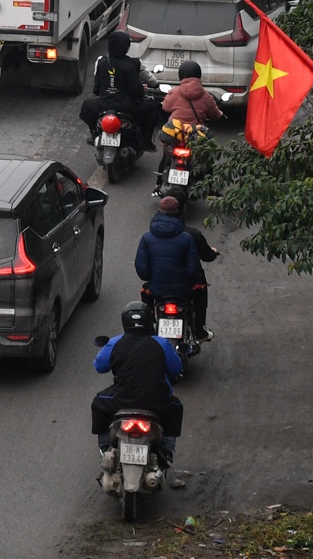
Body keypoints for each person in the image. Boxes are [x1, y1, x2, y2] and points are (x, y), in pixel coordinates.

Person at [93, 301, 184, 464]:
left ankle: (105, 446)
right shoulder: (162, 343)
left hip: (121, 400)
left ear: (124, 321)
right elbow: (177, 369)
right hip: (157, 402)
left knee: (98, 402)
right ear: (149, 321)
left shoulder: (114, 343)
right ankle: (167, 450)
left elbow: (100, 367)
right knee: (176, 407)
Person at [81, 30, 159, 154]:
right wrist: (150, 88)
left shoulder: (101, 61)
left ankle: (94, 134)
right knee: (154, 108)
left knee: (86, 106)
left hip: (103, 105)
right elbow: (138, 89)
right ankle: (147, 141)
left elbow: (96, 88)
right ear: (126, 47)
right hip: (128, 107)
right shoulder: (134, 63)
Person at [136, 195, 204, 310]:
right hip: (183, 290)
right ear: (178, 211)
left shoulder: (146, 238)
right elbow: (193, 269)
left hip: (156, 290)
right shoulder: (187, 238)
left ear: (159, 211)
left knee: (145, 292)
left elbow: (142, 270)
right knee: (200, 291)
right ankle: (199, 321)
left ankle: (150, 318)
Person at [183, 219, 220, 340]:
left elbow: (143, 270)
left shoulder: (149, 237)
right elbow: (207, 256)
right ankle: (199, 331)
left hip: (159, 287)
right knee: (200, 290)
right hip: (189, 286)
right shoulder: (193, 235)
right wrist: (213, 253)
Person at [161, 60, 222, 127]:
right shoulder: (206, 96)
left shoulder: (174, 92)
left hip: (176, 130)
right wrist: (221, 114)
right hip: (196, 131)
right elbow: (215, 114)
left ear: (181, 76)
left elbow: (166, 107)